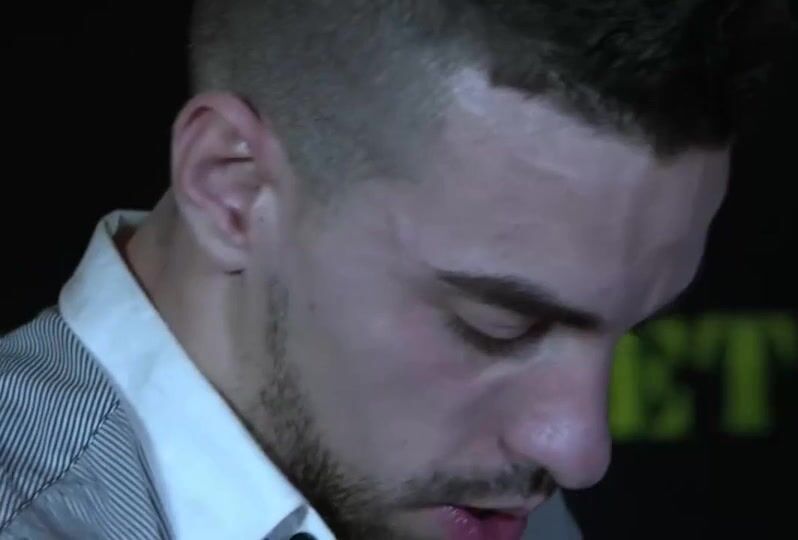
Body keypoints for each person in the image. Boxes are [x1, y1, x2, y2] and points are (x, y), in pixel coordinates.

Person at [0, 1, 790, 539]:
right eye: (499, 326)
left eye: (631, 330)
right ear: (233, 191)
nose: (580, 451)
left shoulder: (459, 499)